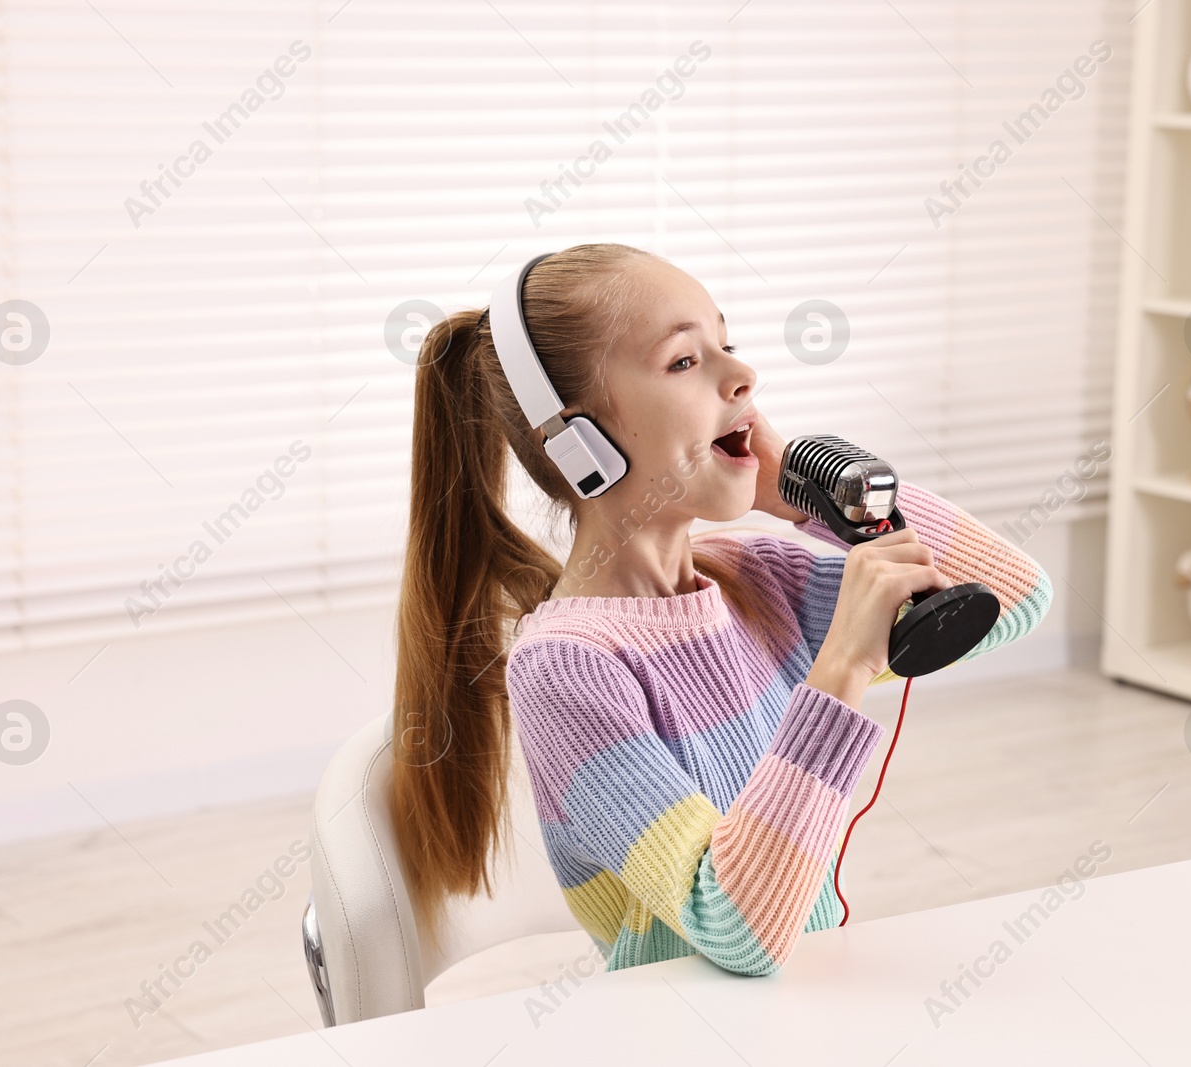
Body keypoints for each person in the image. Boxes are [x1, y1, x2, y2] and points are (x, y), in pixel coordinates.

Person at [391, 243, 1051, 976]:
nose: (743, 375)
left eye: (726, 344)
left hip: (808, 1005)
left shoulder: (755, 579)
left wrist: (817, 495)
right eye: (684, 361)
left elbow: (1015, 598)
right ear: (583, 446)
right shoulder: (567, 668)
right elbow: (734, 927)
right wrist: (841, 669)